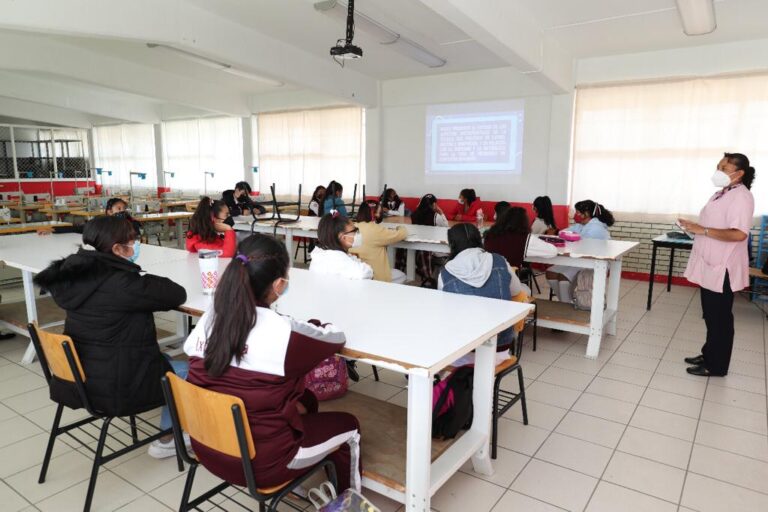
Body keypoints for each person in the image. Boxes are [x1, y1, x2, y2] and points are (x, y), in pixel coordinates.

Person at [184, 234, 362, 491]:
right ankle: (348, 505)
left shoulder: (209, 318)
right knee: (351, 426)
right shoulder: (284, 333)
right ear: (279, 284)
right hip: (263, 465)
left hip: (207, 448)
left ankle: (304, 474)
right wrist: (311, 325)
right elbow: (336, 338)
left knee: (308, 401)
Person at [33, 216, 189, 458]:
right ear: (116, 248)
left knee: (165, 357)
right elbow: (176, 294)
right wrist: (135, 274)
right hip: (115, 385)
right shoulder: (122, 283)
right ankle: (167, 439)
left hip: (80, 378)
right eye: (132, 241)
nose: (135, 246)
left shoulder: (73, 275)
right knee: (188, 370)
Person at [678, 153, 756, 377]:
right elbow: (714, 223)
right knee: (710, 315)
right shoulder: (722, 193)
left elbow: (739, 234)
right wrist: (694, 225)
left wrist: (701, 230)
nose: (718, 170)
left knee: (720, 318)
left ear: (739, 173)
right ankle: (709, 353)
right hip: (711, 263)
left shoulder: (741, 197)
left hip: (724, 267)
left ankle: (717, 365)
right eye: (718, 166)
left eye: (724, 167)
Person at [438, 224, 529, 359]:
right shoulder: (499, 260)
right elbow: (516, 291)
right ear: (479, 239)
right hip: (500, 348)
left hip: (460, 352)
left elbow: (444, 310)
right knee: (524, 291)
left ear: (452, 244)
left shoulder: (446, 273)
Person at [546, 200, 614, 303]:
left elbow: (578, 244)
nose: (575, 215)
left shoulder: (596, 228)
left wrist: (563, 237)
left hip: (593, 262)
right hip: (580, 259)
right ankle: (566, 302)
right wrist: (557, 232)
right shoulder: (583, 225)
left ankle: (566, 305)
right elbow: (567, 231)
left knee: (563, 277)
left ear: (586, 213)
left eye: (578, 212)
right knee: (551, 272)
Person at [351, 200, 408, 283]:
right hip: (376, 276)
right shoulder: (376, 230)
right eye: (379, 211)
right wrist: (400, 227)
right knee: (402, 276)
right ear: (374, 213)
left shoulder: (351, 227)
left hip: (357, 274)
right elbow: (402, 234)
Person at [484, 207, 557, 268]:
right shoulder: (525, 238)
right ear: (524, 222)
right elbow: (553, 252)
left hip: (486, 275)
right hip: (509, 278)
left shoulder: (490, 234)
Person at [309, 212, 373, 280]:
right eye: (354, 230)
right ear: (343, 237)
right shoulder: (337, 258)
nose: (357, 234)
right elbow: (365, 273)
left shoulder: (321, 253)